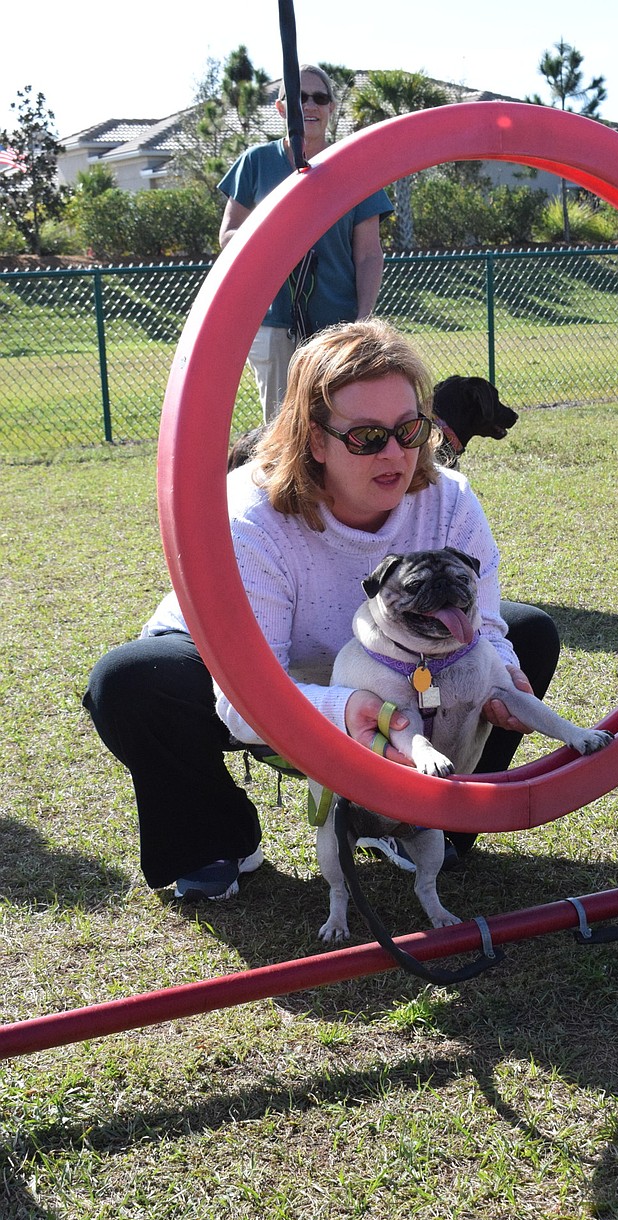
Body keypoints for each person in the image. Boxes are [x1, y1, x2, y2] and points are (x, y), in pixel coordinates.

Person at [84, 319, 560, 904]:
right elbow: (242, 702)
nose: (395, 453)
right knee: (132, 681)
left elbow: (485, 626)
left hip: (392, 670)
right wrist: (352, 709)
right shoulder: (249, 515)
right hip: (243, 676)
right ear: (313, 439)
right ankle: (213, 837)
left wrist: (503, 673)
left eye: (410, 430)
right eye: (366, 437)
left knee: (529, 633)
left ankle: (425, 817)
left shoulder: (448, 498)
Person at [219, 64, 393, 424]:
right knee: (283, 428)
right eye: (298, 98)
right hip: (274, 321)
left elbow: (369, 254)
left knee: (339, 423)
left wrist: (362, 319)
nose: (309, 106)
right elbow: (228, 236)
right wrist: (276, 241)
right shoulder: (257, 162)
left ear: (331, 108)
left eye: (319, 98)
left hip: (338, 323)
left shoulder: (356, 165)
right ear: (282, 108)